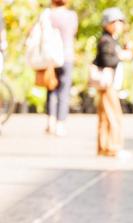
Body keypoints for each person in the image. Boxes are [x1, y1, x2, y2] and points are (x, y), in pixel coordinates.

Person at [94, 8, 132, 159]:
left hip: (108, 84)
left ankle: (104, 147)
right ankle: (114, 148)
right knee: (114, 117)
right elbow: (107, 60)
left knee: (105, 117)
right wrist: (122, 55)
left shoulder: (112, 40)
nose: (118, 25)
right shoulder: (106, 40)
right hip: (107, 84)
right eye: (114, 22)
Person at [45, 0, 77, 137]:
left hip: (50, 57)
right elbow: (73, 33)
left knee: (51, 88)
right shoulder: (71, 16)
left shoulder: (48, 15)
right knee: (64, 90)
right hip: (66, 55)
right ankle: (60, 124)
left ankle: (50, 121)